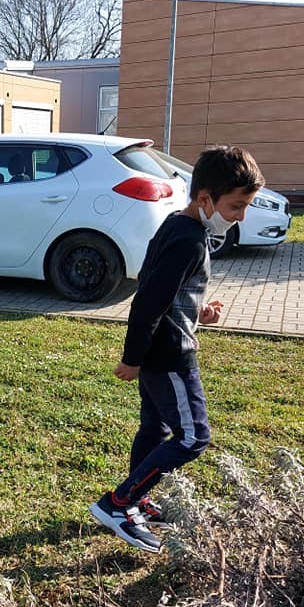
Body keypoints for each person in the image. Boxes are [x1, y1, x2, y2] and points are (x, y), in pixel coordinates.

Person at [89, 145, 265, 552]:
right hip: (169, 357)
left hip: (160, 350)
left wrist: (199, 311)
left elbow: (167, 288)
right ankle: (119, 503)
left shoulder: (178, 227)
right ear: (205, 199)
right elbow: (148, 300)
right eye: (237, 206)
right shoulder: (188, 240)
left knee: (156, 428)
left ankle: (136, 500)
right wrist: (132, 358)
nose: (240, 216)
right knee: (193, 436)